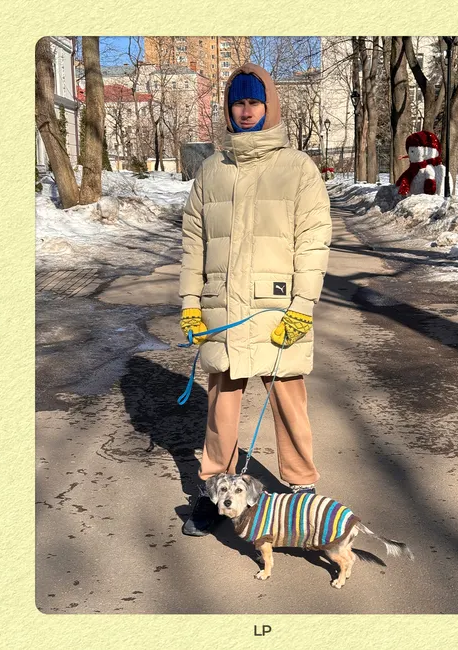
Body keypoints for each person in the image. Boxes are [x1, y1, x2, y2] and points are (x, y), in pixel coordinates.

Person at [178, 62, 332, 536]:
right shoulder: (211, 170)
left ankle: (301, 487)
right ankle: (214, 489)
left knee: (289, 403)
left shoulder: (298, 169)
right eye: (238, 103)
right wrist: (190, 302)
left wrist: (302, 308)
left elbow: (313, 243)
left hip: (277, 309)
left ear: (270, 107)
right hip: (223, 309)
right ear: (228, 110)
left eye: (254, 102)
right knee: (220, 406)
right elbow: (194, 243)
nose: (245, 111)